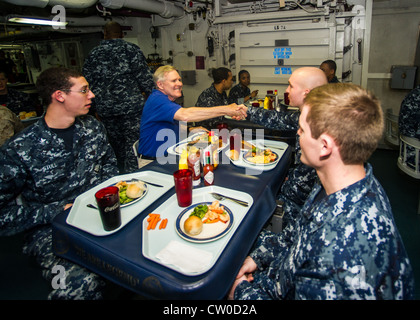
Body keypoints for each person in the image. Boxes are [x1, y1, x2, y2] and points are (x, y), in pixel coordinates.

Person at [229, 83, 415, 300]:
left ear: (325, 146)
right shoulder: (338, 184)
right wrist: (258, 258)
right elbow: (298, 233)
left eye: (301, 129)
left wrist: (241, 291)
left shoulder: (342, 254)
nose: (297, 134)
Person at [0, 67, 119, 299]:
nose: (92, 95)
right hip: (51, 232)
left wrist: (110, 196)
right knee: (78, 285)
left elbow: (110, 166)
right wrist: (55, 211)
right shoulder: (20, 148)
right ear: (60, 96)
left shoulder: (93, 128)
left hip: (100, 214)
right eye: (84, 90)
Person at [245, 67, 327, 227]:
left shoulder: (316, 125)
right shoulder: (309, 115)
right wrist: (247, 111)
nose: (286, 90)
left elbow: (303, 184)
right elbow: (278, 118)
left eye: (291, 86)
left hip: (298, 205)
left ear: (306, 92)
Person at [83, 21, 155, 174]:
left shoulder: (94, 54)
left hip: (106, 110)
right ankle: (134, 179)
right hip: (132, 109)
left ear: (105, 34)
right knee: (134, 145)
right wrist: (153, 103)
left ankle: (119, 176)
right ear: (122, 34)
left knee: (115, 146)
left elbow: (87, 83)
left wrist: (94, 107)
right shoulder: (131, 50)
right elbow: (145, 80)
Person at [138, 65, 247, 165]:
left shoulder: (168, 99)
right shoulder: (157, 99)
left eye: (179, 80)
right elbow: (185, 115)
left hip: (169, 156)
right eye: (173, 81)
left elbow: (169, 124)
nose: (179, 84)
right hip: (153, 162)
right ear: (160, 84)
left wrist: (190, 129)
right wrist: (226, 109)